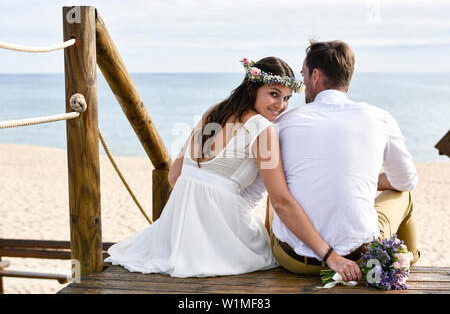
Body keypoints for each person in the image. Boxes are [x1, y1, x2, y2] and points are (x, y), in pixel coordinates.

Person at [106, 56, 360, 278]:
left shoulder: (213, 112)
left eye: (286, 98)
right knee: (268, 252)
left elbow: (175, 174)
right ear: (252, 88)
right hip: (222, 232)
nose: (281, 106)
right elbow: (281, 201)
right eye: (273, 94)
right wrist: (330, 256)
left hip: (175, 234)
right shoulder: (263, 129)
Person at [266, 40, 420, 282]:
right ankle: (405, 262)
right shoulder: (380, 118)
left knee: (275, 186)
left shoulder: (283, 123)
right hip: (357, 258)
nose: (303, 82)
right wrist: (368, 181)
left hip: (294, 260)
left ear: (315, 76)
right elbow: (407, 180)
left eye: (303, 74)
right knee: (405, 195)